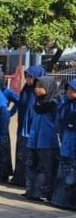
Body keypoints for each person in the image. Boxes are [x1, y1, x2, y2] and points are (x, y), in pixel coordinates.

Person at [23, 76, 61, 201]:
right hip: (34, 138)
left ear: (48, 88)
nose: (36, 89)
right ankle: (33, 191)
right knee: (32, 165)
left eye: (40, 86)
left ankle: (46, 193)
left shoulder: (54, 104)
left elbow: (58, 123)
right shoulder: (37, 102)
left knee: (46, 167)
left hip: (47, 141)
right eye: (36, 86)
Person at [11, 65, 45, 187]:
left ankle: (30, 181)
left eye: (31, 77)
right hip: (23, 127)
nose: (28, 79)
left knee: (31, 155)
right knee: (21, 153)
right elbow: (19, 104)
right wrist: (11, 113)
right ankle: (19, 178)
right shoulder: (25, 90)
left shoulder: (42, 93)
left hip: (34, 128)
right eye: (27, 77)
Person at [50, 80, 76, 209]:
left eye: (73, 90)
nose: (69, 92)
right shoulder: (65, 106)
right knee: (64, 172)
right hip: (66, 142)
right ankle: (60, 200)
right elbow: (58, 123)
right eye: (68, 89)